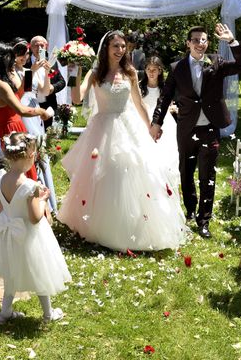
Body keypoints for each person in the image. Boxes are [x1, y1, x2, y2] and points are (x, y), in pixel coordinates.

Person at [58, 30, 187, 251]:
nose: (119, 50)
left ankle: (132, 226)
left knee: (131, 171)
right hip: (103, 130)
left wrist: (151, 127)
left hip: (129, 127)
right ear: (106, 49)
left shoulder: (130, 72)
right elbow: (77, 98)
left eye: (122, 46)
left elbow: (139, 104)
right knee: (107, 174)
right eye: (115, 46)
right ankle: (103, 225)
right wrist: (75, 71)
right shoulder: (96, 72)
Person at [150, 24, 241, 239]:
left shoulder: (216, 62)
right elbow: (165, 96)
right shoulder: (177, 68)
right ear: (188, 43)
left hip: (210, 128)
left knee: (208, 176)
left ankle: (204, 220)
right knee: (186, 172)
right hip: (186, 127)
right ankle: (190, 211)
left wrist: (232, 41)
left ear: (207, 43)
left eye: (203, 40)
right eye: (195, 40)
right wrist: (157, 122)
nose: (200, 44)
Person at [0, 132, 70, 324]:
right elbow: (35, 217)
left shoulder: (0, 179)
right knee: (39, 272)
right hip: (30, 239)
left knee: (11, 275)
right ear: (31, 156)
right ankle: (48, 313)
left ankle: (4, 313)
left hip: (9, 237)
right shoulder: (31, 186)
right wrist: (42, 199)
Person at [0, 42, 51, 180]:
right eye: (11, 57)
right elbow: (21, 109)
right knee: (20, 172)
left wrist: (31, 72)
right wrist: (41, 111)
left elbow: (21, 94)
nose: (14, 60)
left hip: (17, 126)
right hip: (10, 130)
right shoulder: (0, 84)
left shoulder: (3, 80)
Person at [13, 39, 58, 210]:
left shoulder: (28, 70)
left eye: (25, 54)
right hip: (23, 112)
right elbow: (21, 91)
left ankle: (46, 199)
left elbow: (44, 92)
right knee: (29, 150)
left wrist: (46, 73)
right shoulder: (11, 72)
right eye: (21, 54)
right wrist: (31, 71)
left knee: (41, 151)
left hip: (35, 110)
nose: (24, 57)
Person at [140, 56, 180, 186]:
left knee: (166, 153)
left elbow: (170, 102)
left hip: (163, 120)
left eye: (154, 69)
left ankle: (165, 181)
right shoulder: (140, 87)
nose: (151, 72)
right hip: (144, 120)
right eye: (148, 69)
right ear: (145, 70)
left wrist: (173, 108)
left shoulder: (165, 87)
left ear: (160, 71)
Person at [27, 35, 65, 129]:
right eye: (36, 45)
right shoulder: (25, 61)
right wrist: (32, 71)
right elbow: (25, 85)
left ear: (46, 46)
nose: (39, 48)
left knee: (47, 134)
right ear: (31, 47)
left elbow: (62, 81)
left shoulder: (51, 61)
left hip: (49, 104)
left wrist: (53, 87)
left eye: (42, 45)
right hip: (30, 104)